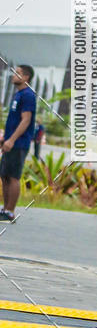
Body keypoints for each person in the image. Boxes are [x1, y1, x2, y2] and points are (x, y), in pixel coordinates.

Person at [0, 64, 36, 222]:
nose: (14, 75)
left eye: (18, 73)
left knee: (13, 177)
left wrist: (12, 140)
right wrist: (5, 138)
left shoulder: (28, 95)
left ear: (26, 77)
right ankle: (4, 209)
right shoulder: (19, 94)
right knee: (4, 175)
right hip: (10, 141)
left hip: (18, 143)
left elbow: (26, 120)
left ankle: (10, 212)